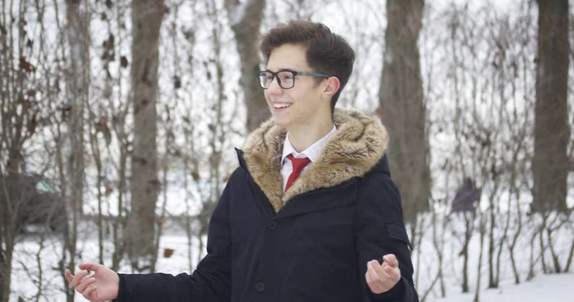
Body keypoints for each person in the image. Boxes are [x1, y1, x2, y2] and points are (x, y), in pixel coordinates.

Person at [65, 20, 419, 301]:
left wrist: (387, 290)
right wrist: (125, 288)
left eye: (287, 77)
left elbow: (400, 294)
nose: (273, 90)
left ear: (328, 86)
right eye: (268, 76)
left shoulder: (369, 187)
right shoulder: (246, 181)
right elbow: (212, 286)